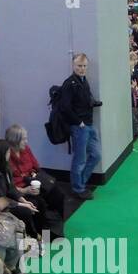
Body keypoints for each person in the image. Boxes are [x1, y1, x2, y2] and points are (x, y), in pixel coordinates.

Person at [51, 51, 103, 198]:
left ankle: (81, 182)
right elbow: (64, 107)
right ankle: (78, 189)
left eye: (84, 66)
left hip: (89, 124)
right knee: (80, 159)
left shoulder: (83, 80)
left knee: (96, 155)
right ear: (73, 65)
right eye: (79, 66)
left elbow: (82, 101)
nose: (82, 68)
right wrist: (78, 122)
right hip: (80, 127)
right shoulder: (70, 83)